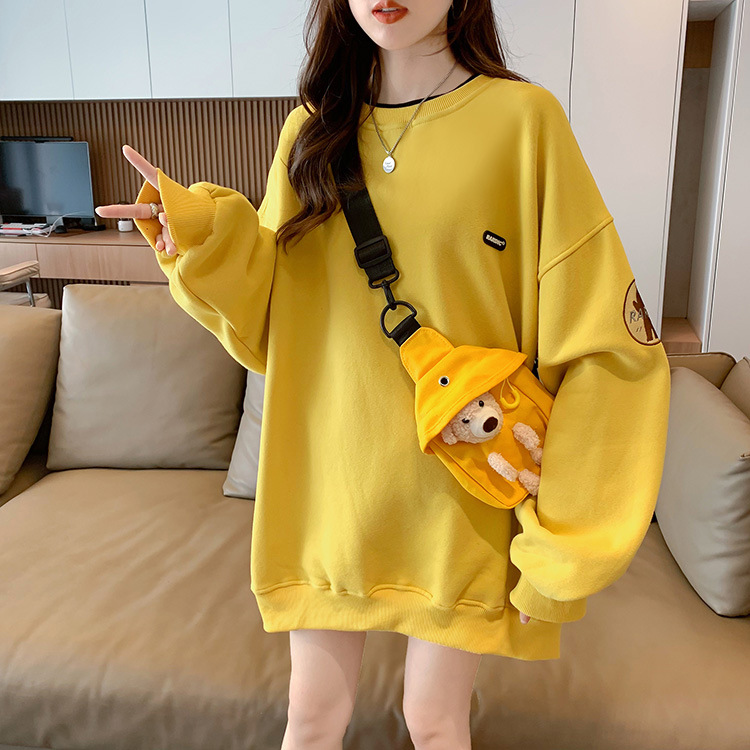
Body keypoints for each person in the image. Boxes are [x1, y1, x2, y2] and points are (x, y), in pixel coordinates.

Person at [96, 0, 672, 747]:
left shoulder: (523, 122)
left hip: (458, 497)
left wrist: (565, 547)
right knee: (311, 721)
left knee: (434, 722)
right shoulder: (310, 132)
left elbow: (604, 344)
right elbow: (276, 317)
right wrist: (201, 235)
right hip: (330, 488)